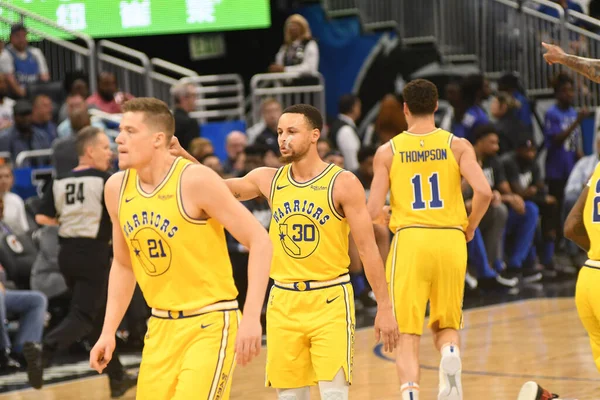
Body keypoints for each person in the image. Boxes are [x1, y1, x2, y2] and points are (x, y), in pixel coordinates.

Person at [171, 103, 399, 400]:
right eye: (279, 132)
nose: (283, 138)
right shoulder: (268, 178)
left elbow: (368, 250)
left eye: (292, 131)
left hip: (329, 298)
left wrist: (385, 306)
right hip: (283, 299)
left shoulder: (342, 182)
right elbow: (219, 188)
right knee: (290, 397)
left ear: (315, 135)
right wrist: (184, 158)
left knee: (334, 395)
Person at [89, 98, 272, 399]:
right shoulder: (115, 188)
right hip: (160, 326)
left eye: (130, 131)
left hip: (211, 322)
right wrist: (109, 331)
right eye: (120, 131)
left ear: (158, 139)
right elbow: (123, 264)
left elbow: (260, 241)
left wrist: (252, 316)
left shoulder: (195, 180)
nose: (119, 139)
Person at [366, 79, 493, 400]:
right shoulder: (458, 145)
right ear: (436, 106)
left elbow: (370, 212)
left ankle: (410, 393)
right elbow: (484, 192)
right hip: (450, 239)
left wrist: (385, 212)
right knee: (446, 323)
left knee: (407, 332)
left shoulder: (387, 151)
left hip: (411, 242)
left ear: (405, 109)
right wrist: (471, 226)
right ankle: (450, 352)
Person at [27, 126, 135, 397]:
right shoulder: (104, 179)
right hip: (93, 254)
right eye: (105, 148)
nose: (110, 153)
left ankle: (117, 376)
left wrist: (69, 221)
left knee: (97, 317)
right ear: (90, 151)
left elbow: (41, 217)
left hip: (67, 255)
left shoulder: (59, 180)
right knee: (85, 315)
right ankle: (45, 348)